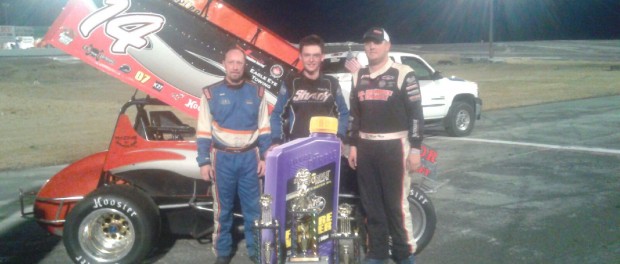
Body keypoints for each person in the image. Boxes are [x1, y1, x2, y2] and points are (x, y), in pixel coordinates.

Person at [347, 27, 423, 264]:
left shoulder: (404, 73)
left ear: (387, 45)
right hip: (366, 148)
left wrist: (416, 148)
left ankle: (404, 255)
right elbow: (354, 115)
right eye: (368, 42)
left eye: (377, 42)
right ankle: (377, 254)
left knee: (396, 207)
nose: (371, 46)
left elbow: (416, 115)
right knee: (372, 206)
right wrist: (352, 145)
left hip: (395, 147)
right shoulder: (358, 76)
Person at [196, 47, 271, 264]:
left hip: (250, 158)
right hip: (222, 159)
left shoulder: (257, 92)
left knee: (254, 209)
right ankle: (222, 253)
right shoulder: (210, 93)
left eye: (239, 63)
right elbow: (203, 131)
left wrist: (265, 158)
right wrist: (203, 161)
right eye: (231, 62)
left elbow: (264, 129)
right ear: (224, 64)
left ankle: (256, 251)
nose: (235, 67)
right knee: (222, 209)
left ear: (244, 65)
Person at [270, 34, 349, 145]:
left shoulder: (331, 83)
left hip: (325, 147)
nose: (311, 60)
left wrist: (339, 135)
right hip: (296, 147)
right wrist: (276, 140)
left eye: (316, 55)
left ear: (322, 57)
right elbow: (277, 114)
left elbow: (344, 113)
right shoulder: (291, 82)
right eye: (307, 55)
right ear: (300, 57)